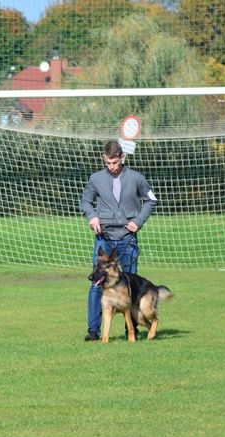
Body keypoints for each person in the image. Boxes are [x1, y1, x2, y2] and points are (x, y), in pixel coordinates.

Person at [80, 139, 157, 341]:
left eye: (114, 162)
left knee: (130, 285)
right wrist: (92, 217)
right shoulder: (96, 179)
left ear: (122, 157)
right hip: (104, 238)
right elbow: (85, 201)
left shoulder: (137, 178)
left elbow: (151, 200)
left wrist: (138, 221)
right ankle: (93, 331)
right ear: (103, 159)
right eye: (108, 163)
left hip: (127, 238)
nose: (112, 167)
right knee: (97, 283)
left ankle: (131, 329)